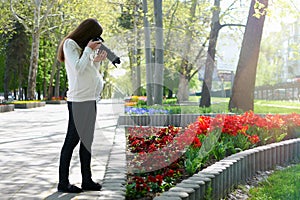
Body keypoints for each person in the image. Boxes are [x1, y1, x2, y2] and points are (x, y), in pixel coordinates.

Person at [56, 18, 107, 193]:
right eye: (96, 37)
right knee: (72, 141)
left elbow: (88, 71)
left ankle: (87, 180)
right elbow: (77, 69)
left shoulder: (84, 48)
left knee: (87, 142)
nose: (97, 40)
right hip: (78, 101)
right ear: (87, 33)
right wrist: (88, 50)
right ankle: (63, 182)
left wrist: (97, 60)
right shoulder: (70, 44)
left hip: (90, 99)